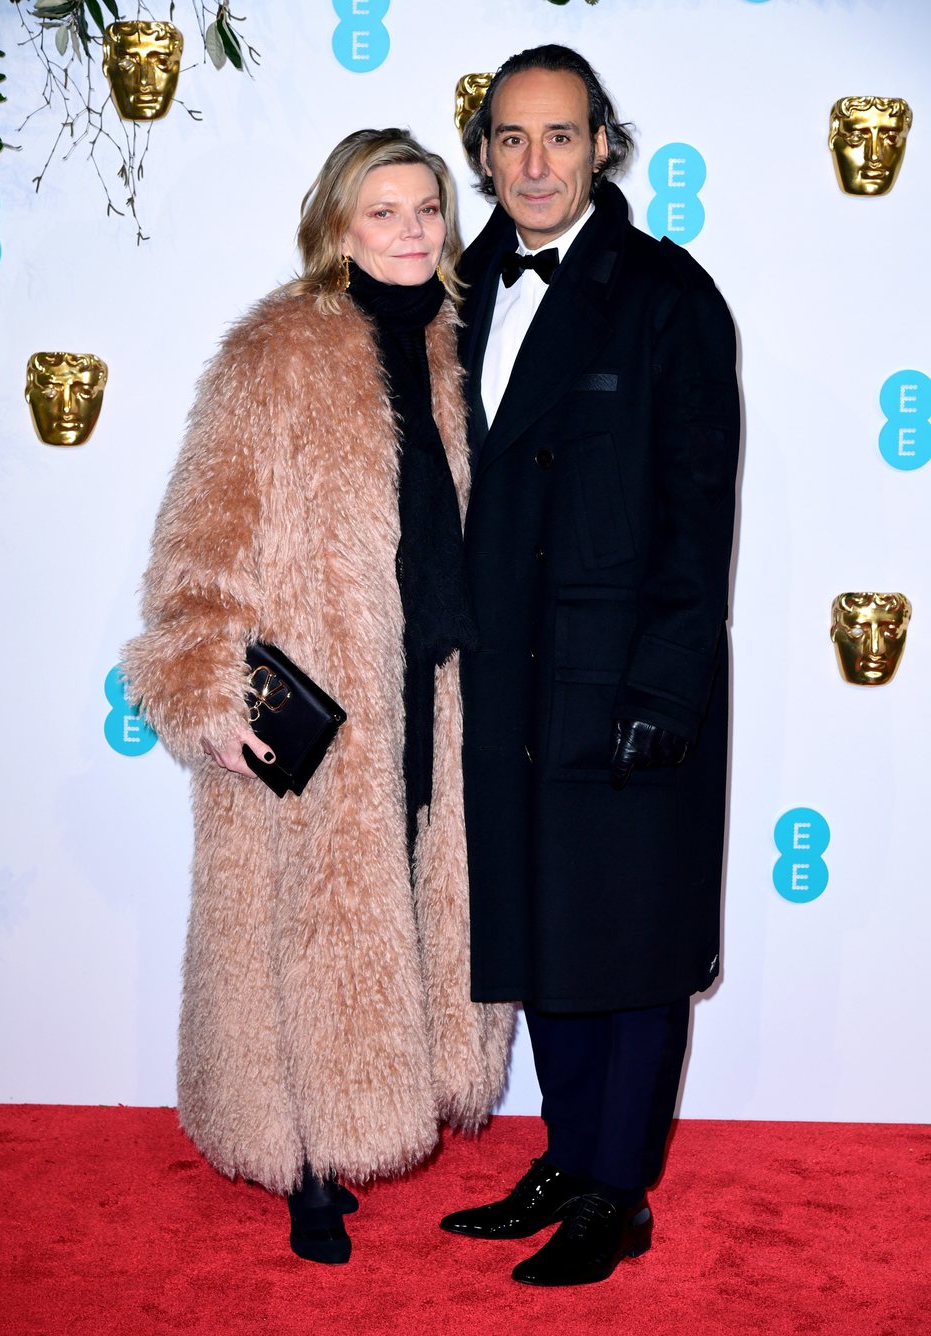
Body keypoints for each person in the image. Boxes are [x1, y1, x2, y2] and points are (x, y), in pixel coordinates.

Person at [122, 128, 513, 1266]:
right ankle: (295, 1160)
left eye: (427, 210)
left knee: (393, 908)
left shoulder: (455, 345)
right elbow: (199, 538)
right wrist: (204, 677)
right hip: (312, 701)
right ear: (336, 224)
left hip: (432, 685)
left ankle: (365, 1115)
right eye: (382, 211)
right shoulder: (277, 350)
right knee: (293, 927)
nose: (409, 232)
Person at [438, 46, 740, 1287]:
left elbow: (698, 512)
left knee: (628, 938)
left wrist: (667, 688)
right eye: (510, 139)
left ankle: (620, 1191)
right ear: (485, 154)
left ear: (604, 145)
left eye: (559, 136)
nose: (534, 163)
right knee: (544, 930)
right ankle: (567, 1157)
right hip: (504, 680)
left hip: (624, 682)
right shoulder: (451, 291)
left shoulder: (669, 295)